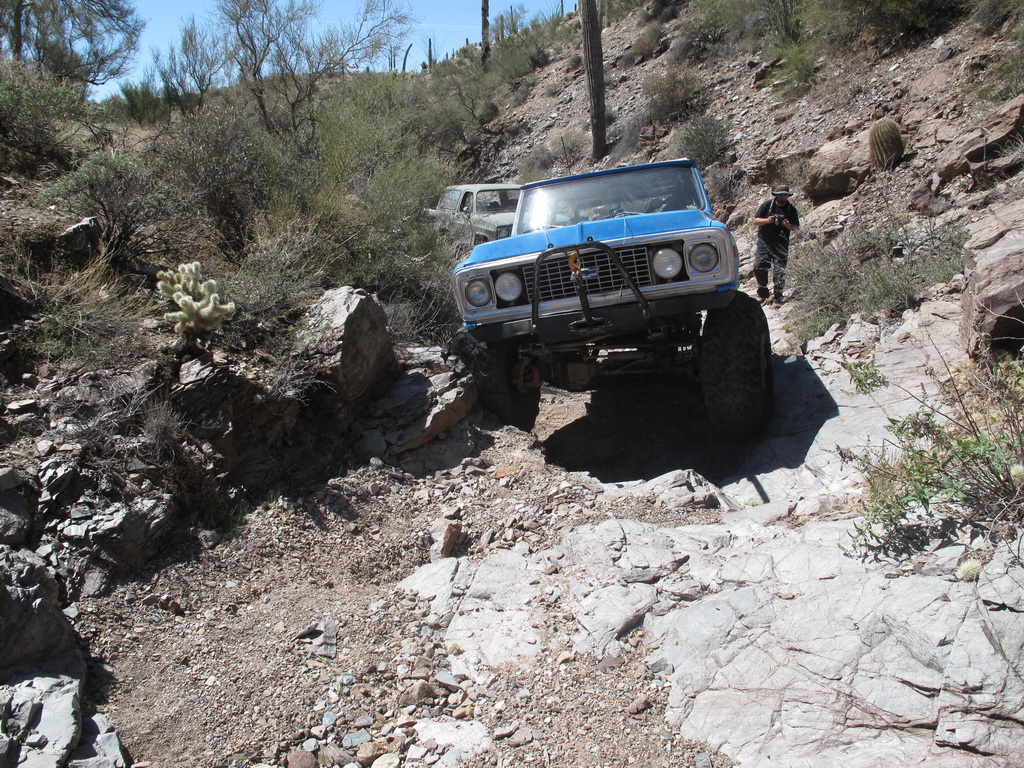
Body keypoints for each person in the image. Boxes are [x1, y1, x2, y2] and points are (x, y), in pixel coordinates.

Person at [752, 184, 800, 305]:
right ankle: (763, 293)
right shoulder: (767, 205)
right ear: (776, 195)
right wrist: (768, 220)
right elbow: (756, 221)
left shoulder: (791, 209)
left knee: (779, 270)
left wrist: (787, 225)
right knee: (759, 266)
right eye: (781, 194)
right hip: (764, 241)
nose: (783, 197)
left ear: (788, 196)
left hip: (780, 243)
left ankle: (777, 297)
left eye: (785, 195)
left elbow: (795, 227)